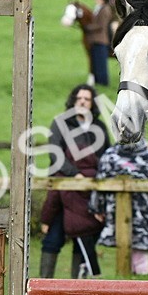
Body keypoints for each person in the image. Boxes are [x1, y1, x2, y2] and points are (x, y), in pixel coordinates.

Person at [38, 84, 109, 278]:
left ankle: (76, 287)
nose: (83, 102)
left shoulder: (99, 127)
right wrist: (74, 175)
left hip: (87, 193)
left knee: (83, 237)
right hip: (63, 189)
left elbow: (105, 157)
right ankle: (45, 285)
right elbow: (55, 154)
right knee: (53, 238)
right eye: (79, 99)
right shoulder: (60, 124)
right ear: (73, 101)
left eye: (87, 99)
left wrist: (96, 185)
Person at [90, 137, 148, 275]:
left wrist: (97, 208)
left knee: (122, 249)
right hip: (143, 216)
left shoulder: (110, 155)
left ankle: (123, 286)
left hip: (116, 215)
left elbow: (99, 184)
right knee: (141, 257)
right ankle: (140, 287)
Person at [85, 0, 114, 86]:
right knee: (97, 62)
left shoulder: (105, 9)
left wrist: (88, 27)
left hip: (101, 39)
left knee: (101, 63)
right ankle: (98, 81)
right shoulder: (99, 8)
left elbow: (101, 25)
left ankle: (103, 82)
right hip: (96, 40)